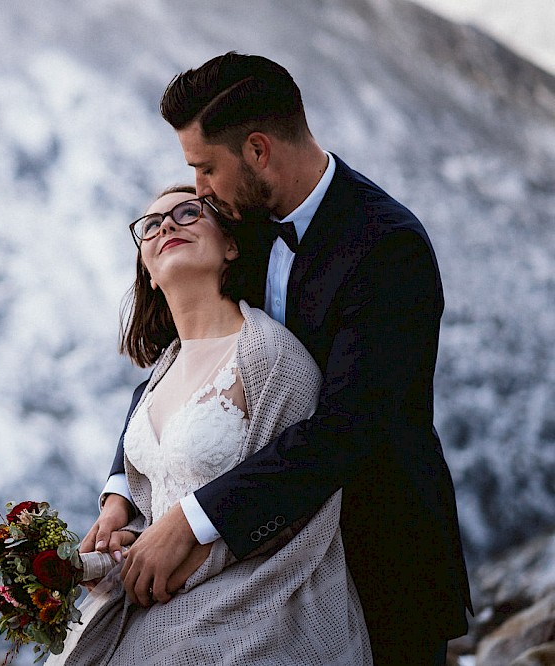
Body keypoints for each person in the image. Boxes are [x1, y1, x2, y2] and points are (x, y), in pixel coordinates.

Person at [85, 52, 472, 664]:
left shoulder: (388, 248)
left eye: (205, 168)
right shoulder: (243, 224)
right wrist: (120, 494)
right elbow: (181, 365)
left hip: (380, 562)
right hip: (252, 576)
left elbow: (347, 430)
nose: (202, 191)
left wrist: (189, 521)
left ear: (259, 151)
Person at [49, 185, 370, 665]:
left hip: (255, 605)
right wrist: (119, 537)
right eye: (151, 226)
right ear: (149, 275)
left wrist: (168, 566)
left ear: (230, 246)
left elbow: (301, 498)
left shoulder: (269, 355)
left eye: (187, 212)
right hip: (162, 606)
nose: (166, 227)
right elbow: (158, 493)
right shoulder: (159, 376)